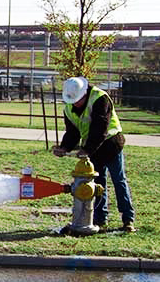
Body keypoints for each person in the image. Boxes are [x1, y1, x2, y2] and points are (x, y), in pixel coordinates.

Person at [52, 76, 136, 232]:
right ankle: (100, 219)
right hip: (93, 149)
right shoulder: (69, 108)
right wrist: (64, 147)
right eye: (72, 101)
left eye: (77, 100)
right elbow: (72, 132)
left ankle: (128, 219)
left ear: (84, 93)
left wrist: (87, 149)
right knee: (97, 184)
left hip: (111, 144)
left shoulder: (100, 98)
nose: (75, 103)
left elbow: (100, 127)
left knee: (119, 181)